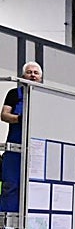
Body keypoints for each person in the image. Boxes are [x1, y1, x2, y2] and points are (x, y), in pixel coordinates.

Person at [0, 62, 43, 212]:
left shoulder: (46, 97)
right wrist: (20, 119)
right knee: (10, 186)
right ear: (23, 76)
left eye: (36, 73)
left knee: (36, 187)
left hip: (38, 149)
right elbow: (4, 115)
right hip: (15, 149)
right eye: (29, 72)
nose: (32, 75)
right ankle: (7, 223)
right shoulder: (14, 94)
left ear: (41, 78)